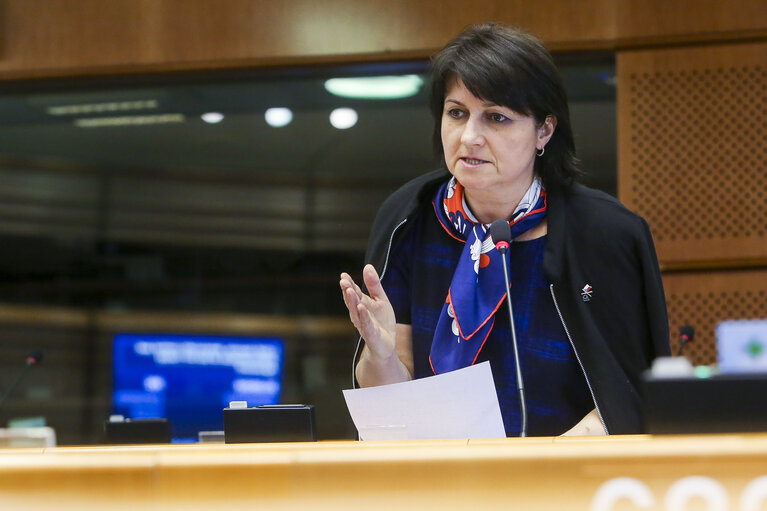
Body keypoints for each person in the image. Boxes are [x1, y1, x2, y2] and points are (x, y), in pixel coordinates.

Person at [339, 23, 670, 437]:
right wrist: (382, 355)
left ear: (544, 131)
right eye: (456, 113)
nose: (470, 136)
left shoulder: (606, 234)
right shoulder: (410, 221)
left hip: (568, 485)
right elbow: (389, 407)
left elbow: (629, 395)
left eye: (496, 117)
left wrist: (544, 471)